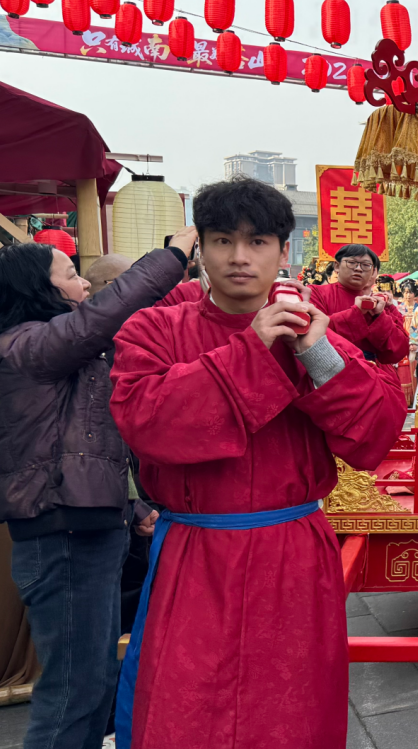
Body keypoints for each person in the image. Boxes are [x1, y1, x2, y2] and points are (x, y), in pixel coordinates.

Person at [107, 176, 406, 749]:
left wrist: (318, 357)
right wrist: (251, 350)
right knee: (185, 710)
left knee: (290, 710)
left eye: (258, 241)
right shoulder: (154, 329)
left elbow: (374, 436)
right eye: (223, 240)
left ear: (283, 251)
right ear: (200, 248)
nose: (239, 257)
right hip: (198, 553)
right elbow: (147, 421)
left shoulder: (311, 333)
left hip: (293, 551)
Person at [0, 235, 189, 749]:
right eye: (69, 274)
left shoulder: (53, 351)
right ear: (38, 289)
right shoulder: (26, 345)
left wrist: (132, 504)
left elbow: (76, 444)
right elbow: (98, 319)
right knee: (73, 691)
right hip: (61, 535)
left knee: (95, 679)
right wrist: (173, 257)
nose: (83, 284)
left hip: (87, 527)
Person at [308, 243, 410, 381]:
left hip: (374, 374)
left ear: (373, 272)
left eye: (366, 265)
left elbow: (399, 350)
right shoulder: (316, 293)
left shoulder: (380, 304)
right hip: (332, 374)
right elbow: (314, 334)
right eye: (352, 263)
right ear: (337, 266)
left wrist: (379, 316)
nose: (358, 269)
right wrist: (356, 313)